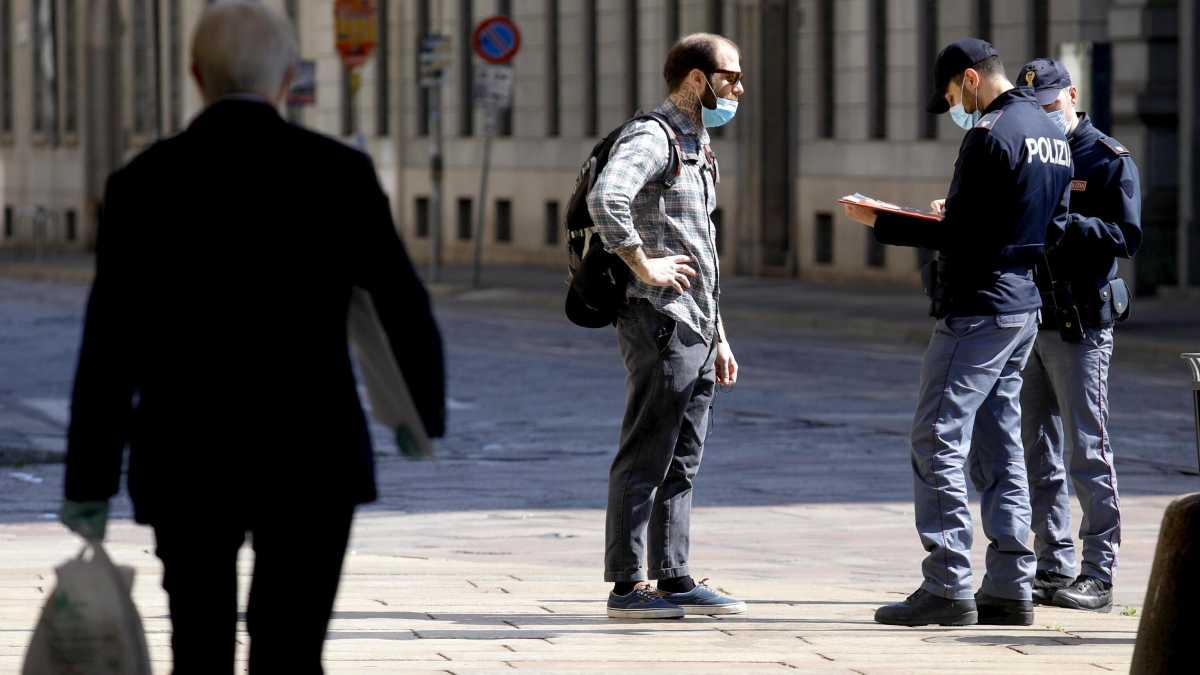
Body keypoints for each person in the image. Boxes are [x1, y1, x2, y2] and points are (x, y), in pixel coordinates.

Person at [57, 3, 446, 672]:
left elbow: (110, 343)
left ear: (194, 74)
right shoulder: (336, 174)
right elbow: (401, 300)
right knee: (292, 648)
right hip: (312, 450)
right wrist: (420, 412)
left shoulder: (141, 184)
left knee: (199, 644)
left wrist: (88, 478)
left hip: (185, 453)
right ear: (288, 76)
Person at [843, 38, 1072, 627]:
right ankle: (1011, 584)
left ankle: (948, 584)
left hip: (978, 307)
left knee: (937, 436)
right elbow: (1045, 222)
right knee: (1001, 442)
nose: (954, 108)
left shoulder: (989, 134)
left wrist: (883, 220)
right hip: (1022, 304)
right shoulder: (1047, 130)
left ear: (971, 79)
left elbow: (962, 236)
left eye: (951, 96)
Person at [587, 33, 745, 619]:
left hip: (698, 324)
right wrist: (643, 264)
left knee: (684, 456)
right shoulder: (652, 135)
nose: (739, 88)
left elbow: (701, 246)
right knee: (646, 451)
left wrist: (720, 335)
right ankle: (628, 586)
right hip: (658, 319)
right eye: (730, 76)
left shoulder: (698, 142)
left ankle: (674, 575)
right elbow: (609, 199)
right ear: (698, 80)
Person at [1011, 58, 1142, 613]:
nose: (1041, 117)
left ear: (1071, 96)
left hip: (1081, 320)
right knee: (1035, 448)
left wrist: (1065, 226)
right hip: (1029, 317)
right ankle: (1053, 562)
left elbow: (1126, 237)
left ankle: (1099, 572)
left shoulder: (1105, 157)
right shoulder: (1029, 153)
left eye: (1048, 106)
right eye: (1032, 109)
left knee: (1086, 447)